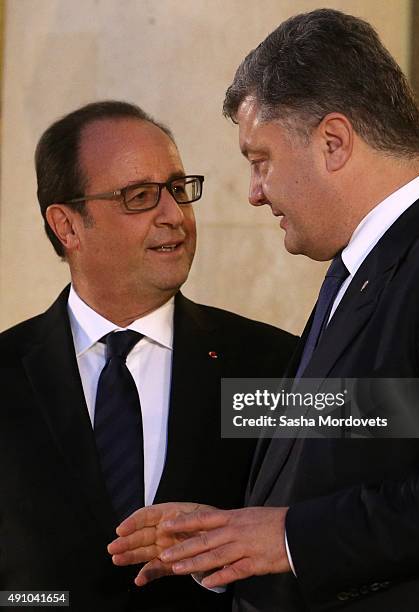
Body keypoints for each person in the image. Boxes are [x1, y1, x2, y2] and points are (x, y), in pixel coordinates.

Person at [108, 9, 419, 612]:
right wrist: (229, 537)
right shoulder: (356, 269)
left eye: (261, 160)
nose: (254, 192)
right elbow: (371, 450)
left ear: (332, 142)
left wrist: (285, 536)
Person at [0, 100, 296, 611]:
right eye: (140, 197)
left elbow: (412, 429)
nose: (174, 216)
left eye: (179, 190)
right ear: (67, 226)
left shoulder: (268, 364)